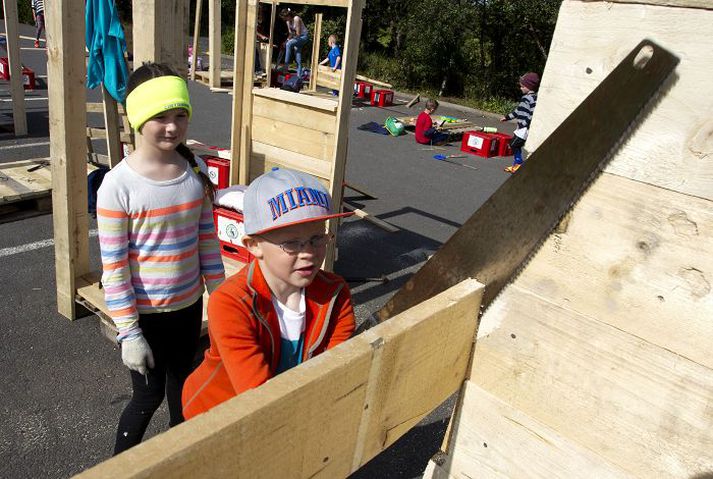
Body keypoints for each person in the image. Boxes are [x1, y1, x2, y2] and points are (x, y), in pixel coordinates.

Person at [96, 62, 226, 454]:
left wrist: (219, 298)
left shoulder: (194, 172)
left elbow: (207, 241)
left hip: (188, 310)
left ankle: (177, 457)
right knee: (146, 398)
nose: (172, 127)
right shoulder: (117, 186)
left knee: (182, 387)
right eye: (160, 117)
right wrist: (129, 333)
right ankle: (119, 466)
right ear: (137, 117)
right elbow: (115, 269)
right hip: (146, 320)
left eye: (180, 115)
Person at [182, 168, 356, 420]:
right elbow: (258, 395)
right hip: (218, 417)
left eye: (317, 237)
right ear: (254, 245)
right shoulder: (230, 303)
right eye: (292, 242)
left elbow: (337, 369)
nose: (308, 252)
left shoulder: (335, 293)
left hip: (290, 412)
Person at [500, 72, 539, 173]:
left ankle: (519, 163)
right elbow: (518, 111)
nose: (520, 88)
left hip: (524, 128)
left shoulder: (532, 98)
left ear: (529, 87)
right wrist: (507, 117)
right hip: (520, 127)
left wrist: (524, 123)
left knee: (514, 144)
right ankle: (516, 165)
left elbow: (532, 113)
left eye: (522, 86)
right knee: (514, 144)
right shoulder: (525, 98)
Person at [279, 8, 309, 78]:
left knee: (289, 44)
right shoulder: (288, 22)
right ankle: (299, 76)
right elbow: (290, 34)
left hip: (303, 37)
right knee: (297, 54)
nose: (285, 19)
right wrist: (285, 41)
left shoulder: (296, 19)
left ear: (288, 15)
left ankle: (285, 67)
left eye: (285, 17)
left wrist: (289, 42)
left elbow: (298, 34)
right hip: (296, 38)